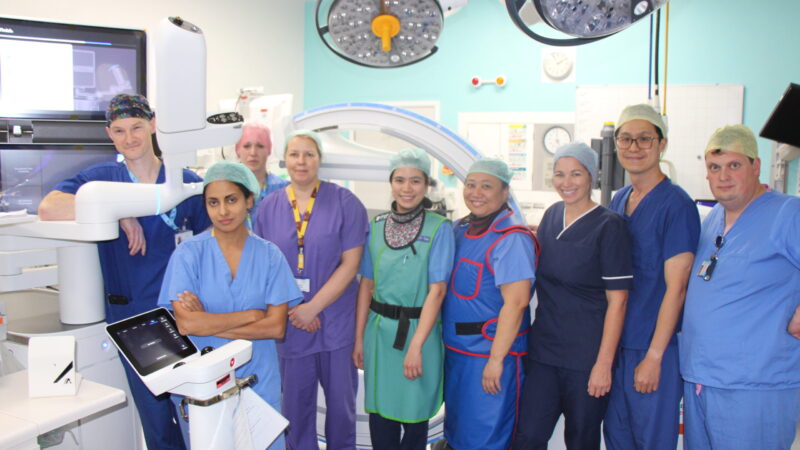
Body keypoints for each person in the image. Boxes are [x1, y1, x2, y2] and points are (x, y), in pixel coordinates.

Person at [37, 93, 210, 450]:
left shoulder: (183, 181)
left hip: (186, 315)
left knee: (201, 415)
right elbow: (49, 207)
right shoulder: (103, 181)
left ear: (152, 125)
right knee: (158, 423)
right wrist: (113, 209)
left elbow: (214, 245)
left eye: (136, 127)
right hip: (134, 320)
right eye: (119, 131)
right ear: (109, 133)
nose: (129, 138)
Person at [158, 160, 302, 450]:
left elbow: (275, 326)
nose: (222, 211)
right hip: (205, 386)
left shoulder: (269, 256)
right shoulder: (188, 255)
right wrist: (250, 316)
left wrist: (207, 321)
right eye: (213, 203)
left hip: (258, 380)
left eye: (231, 200)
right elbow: (185, 323)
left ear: (249, 200)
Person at [680, 125, 800, 450]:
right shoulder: (713, 218)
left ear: (756, 167)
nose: (723, 176)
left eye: (734, 165)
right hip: (702, 378)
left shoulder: (788, 213)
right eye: (714, 168)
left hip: (755, 385)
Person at [254, 129, 368, 450]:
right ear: (284, 160)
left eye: (309, 154)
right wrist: (295, 309)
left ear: (319, 160)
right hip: (289, 321)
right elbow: (266, 266)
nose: (301, 161)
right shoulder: (268, 207)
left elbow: (350, 265)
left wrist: (312, 307)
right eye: (294, 154)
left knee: (342, 409)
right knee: (295, 410)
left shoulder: (346, 203)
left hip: (335, 321)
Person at [513, 143, 632, 449]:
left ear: (591, 176)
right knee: (527, 436)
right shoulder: (552, 216)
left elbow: (618, 302)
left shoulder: (610, 226)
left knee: (581, 439)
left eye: (576, 174)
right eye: (559, 174)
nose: (567, 182)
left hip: (587, 357)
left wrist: (603, 365)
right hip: (544, 352)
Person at [603, 104, 699, 450]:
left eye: (645, 139)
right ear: (616, 145)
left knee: (651, 439)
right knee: (618, 437)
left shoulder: (676, 205)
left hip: (653, 345)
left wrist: (655, 357)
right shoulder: (619, 200)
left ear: (662, 144)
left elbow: (678, 288)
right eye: (626, 139)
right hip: (618, 345)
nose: (634, 147)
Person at [353, 148, 455, 450]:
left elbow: (437, 292)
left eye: (415, 181)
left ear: (426, 185)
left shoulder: (439, 229)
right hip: (379, 334)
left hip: (418, 333)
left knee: (414, 419)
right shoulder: (376, 226)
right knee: (380, 416)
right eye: (400, 180)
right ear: (391, 182)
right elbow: (366, 286)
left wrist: (416, 346)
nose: (406, 188)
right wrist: (359, 338)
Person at [442, 158, 538, 450]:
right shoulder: (460, 229)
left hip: (491, 357)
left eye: (487, 186)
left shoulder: (512, 239)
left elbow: (516, 304)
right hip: (458, 356)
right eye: (470, 185)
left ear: (505, 191)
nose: (476, 192)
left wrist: (496, 361)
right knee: (459, 433)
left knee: (487, 437)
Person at [233, 121, 289, 228]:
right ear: (237, 150)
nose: (253, 152)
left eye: (260, 146)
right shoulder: (227, 189)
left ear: (269, 150)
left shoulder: (284, 189)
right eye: (247, 146)